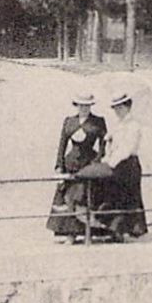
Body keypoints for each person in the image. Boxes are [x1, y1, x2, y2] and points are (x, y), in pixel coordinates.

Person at [46, 92, 106, 241]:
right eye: (81, 105)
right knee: (67, 198)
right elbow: (62, 144)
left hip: (89, 163)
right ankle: (69, 234)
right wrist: (59, 165)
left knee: (87, 197)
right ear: (76, 105)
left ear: (91, 106)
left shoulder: (98, 121)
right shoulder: (69, 121)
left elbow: (103, 146)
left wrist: (96, 163)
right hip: (71, 163)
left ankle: (89, 234)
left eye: (87, 106)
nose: (84, 108)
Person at [99, 91, 148, 241]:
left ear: (128, 107)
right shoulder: (118, 125)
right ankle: (116, 230)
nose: (117, 111)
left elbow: (127, 148)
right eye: (115, 108)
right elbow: (113, 146)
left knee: (129, 196)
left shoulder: (134, 125)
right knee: (116, 196)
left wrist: (112, 162)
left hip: (128, 164)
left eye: (120, 108)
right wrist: (108, 150)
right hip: (116, 164)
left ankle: (131, 231)